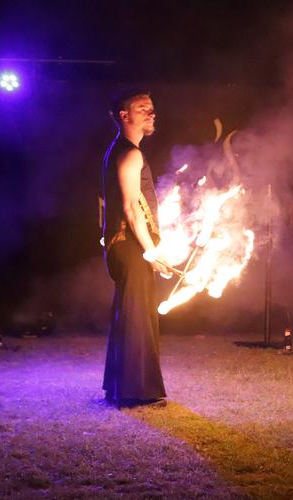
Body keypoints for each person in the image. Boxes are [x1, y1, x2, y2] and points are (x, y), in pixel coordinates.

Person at [101, 89, 172, 407]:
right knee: (138, 318)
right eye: (143, 108)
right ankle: (135, 392)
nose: (151, 113)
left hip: (126, 246)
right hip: (131, 247)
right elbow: (131, 208)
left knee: (129, 314)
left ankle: (119, 387)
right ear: (124, 115)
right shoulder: (130, 154)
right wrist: (151, 252)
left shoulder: (119, 150)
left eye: (152, 108)